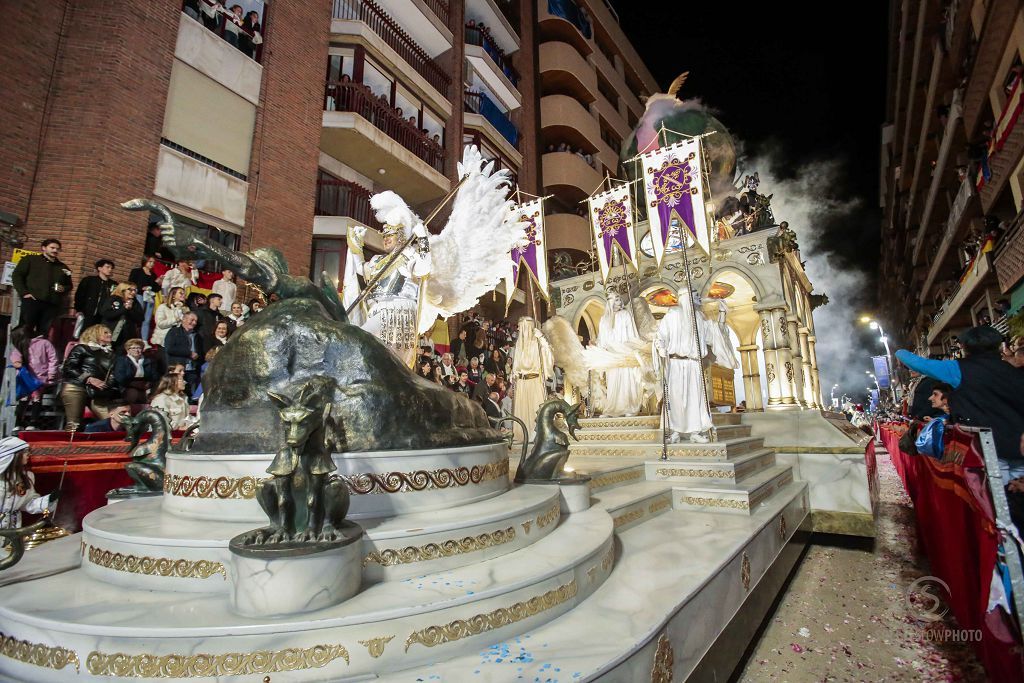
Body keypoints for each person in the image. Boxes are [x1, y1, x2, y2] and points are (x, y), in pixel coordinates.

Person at [895, 325, 1024, 484]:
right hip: (1018, 446)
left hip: (986, 449)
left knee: (997, 502)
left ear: (965, 347)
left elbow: (917, 363)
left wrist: (898, 352)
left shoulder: (958, 369)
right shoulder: (1012, 370)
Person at [655, 289, 714, 443]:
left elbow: (710, 337)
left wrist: (721, 315)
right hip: (675, 363)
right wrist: (661, 348)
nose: (698, 298)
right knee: (676, 398)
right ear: (686, 298)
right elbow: (660, 336)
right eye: (695, 295)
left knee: (695, 398)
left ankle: (695, 432)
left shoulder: (699, 319)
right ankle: (674, 431)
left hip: (694, 363)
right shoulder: (673, 314)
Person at [60, 325, 118, 431]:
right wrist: (89, 379)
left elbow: (112, 373)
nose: (109, 334)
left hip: (97, 390)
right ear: (95, 334)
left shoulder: (110, 353)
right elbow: (68, 367)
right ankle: (70, 446)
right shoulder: (82, 348)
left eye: (110, 332)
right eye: (105, 332)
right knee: (74, 425)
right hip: (76, 387)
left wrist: (108, 385)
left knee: (113, 421)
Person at [11, 239, 72, 336]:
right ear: (43, 248)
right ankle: (21, 351)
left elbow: (69, 285)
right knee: (25, 330)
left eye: (57, 249)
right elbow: (17, 275)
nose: (55, 250)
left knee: (43, 332)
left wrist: (63, 288)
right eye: (52, 248)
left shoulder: (63, 267)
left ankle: (38, 351)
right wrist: (24, 293)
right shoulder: (31, 259)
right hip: (32, 300)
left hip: (51, 305)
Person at [596, 291, 643, 417]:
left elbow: (632, 333)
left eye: (619, 299)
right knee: (613, 382)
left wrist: (632, 348)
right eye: (615, 299)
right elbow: (601, 338)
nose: (619, 301)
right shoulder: (604, 319)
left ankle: (629, 407)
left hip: (625, 352)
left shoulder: (625, 315)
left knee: (626, 380)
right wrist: (599, 347)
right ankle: (613, 409)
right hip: (612, 355)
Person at [0, 437, 59, 531]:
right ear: (13, 455)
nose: (28, 454)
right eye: (25, 452)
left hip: (14, 529)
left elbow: (28, 503)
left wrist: (49, 500)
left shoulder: (27, 477)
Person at [510, 317, 554, 440]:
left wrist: (542, 338)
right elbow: (516, 361)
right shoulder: (519, 343)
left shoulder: (538, 343)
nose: (518, 329)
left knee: (536, 409)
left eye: (521, 327)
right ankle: (522, 435)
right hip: (521, 381)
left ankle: (537, 434)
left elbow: (548, 353)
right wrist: (513, 373)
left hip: (534, 380)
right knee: (522, 411)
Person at [8, 325, 58, 430]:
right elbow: (53, 359)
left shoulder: (42, 344)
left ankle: (25, 423)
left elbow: (52, 359)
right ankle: (26, 423)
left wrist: (51, 374)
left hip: (32, 379)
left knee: (29, 399)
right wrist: (51, 375)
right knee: (31, 399)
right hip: (32, 378)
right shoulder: (41, 343)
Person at [164, 312, 204, 398]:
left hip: (192, 370)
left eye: (196, 321)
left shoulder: (197, 336)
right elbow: (169, 349)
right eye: (192, 320)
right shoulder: (174, 332)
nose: (194, 323)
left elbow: (200, 351)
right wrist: (189, 353)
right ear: (184, 319)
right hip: (177, 369)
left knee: (191, 395)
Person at [74, 259, 118, 331]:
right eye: (107, 267)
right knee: (85, 332)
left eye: (111, 268)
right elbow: (79, 295)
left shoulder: (114, 284)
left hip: (104, 315)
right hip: (88, 313)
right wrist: (78, 309)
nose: (110, 269)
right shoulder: (89, 280)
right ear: (99, 268)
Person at [113, 338, 160, 404]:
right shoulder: (122, 360)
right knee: (134, 395)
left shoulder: (149, 360)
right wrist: (134, 385)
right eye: (133, 348)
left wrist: (149, 384)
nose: (136, 350)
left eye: (139, 348)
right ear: (128, 350)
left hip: (146, 385)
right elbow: (120, 377)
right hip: (128, 386)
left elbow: (155, 376)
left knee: (154, 396)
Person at [100, 283, 144, 351]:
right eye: (130, 290)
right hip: (110, 334)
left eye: (135, 290)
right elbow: (106, 314)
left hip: (126, 336)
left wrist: (130, 310)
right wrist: (124, 309)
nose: (133, 292)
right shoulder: (113, 299)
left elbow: (140, 318)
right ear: (122, 290)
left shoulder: (135, 302)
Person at [129, 256, 162, 343]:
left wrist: (158, 282)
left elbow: (156, 289)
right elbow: (131, 283)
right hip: (140, 295)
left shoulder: (153, 275)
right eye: (150, 262)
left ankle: (144, 340)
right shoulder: (137, 271)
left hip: (150, 297)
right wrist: (141, 288)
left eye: (153, 262)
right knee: (137, 316)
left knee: (147, 319)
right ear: (145, 261)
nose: (152, 264)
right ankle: (132, 337)